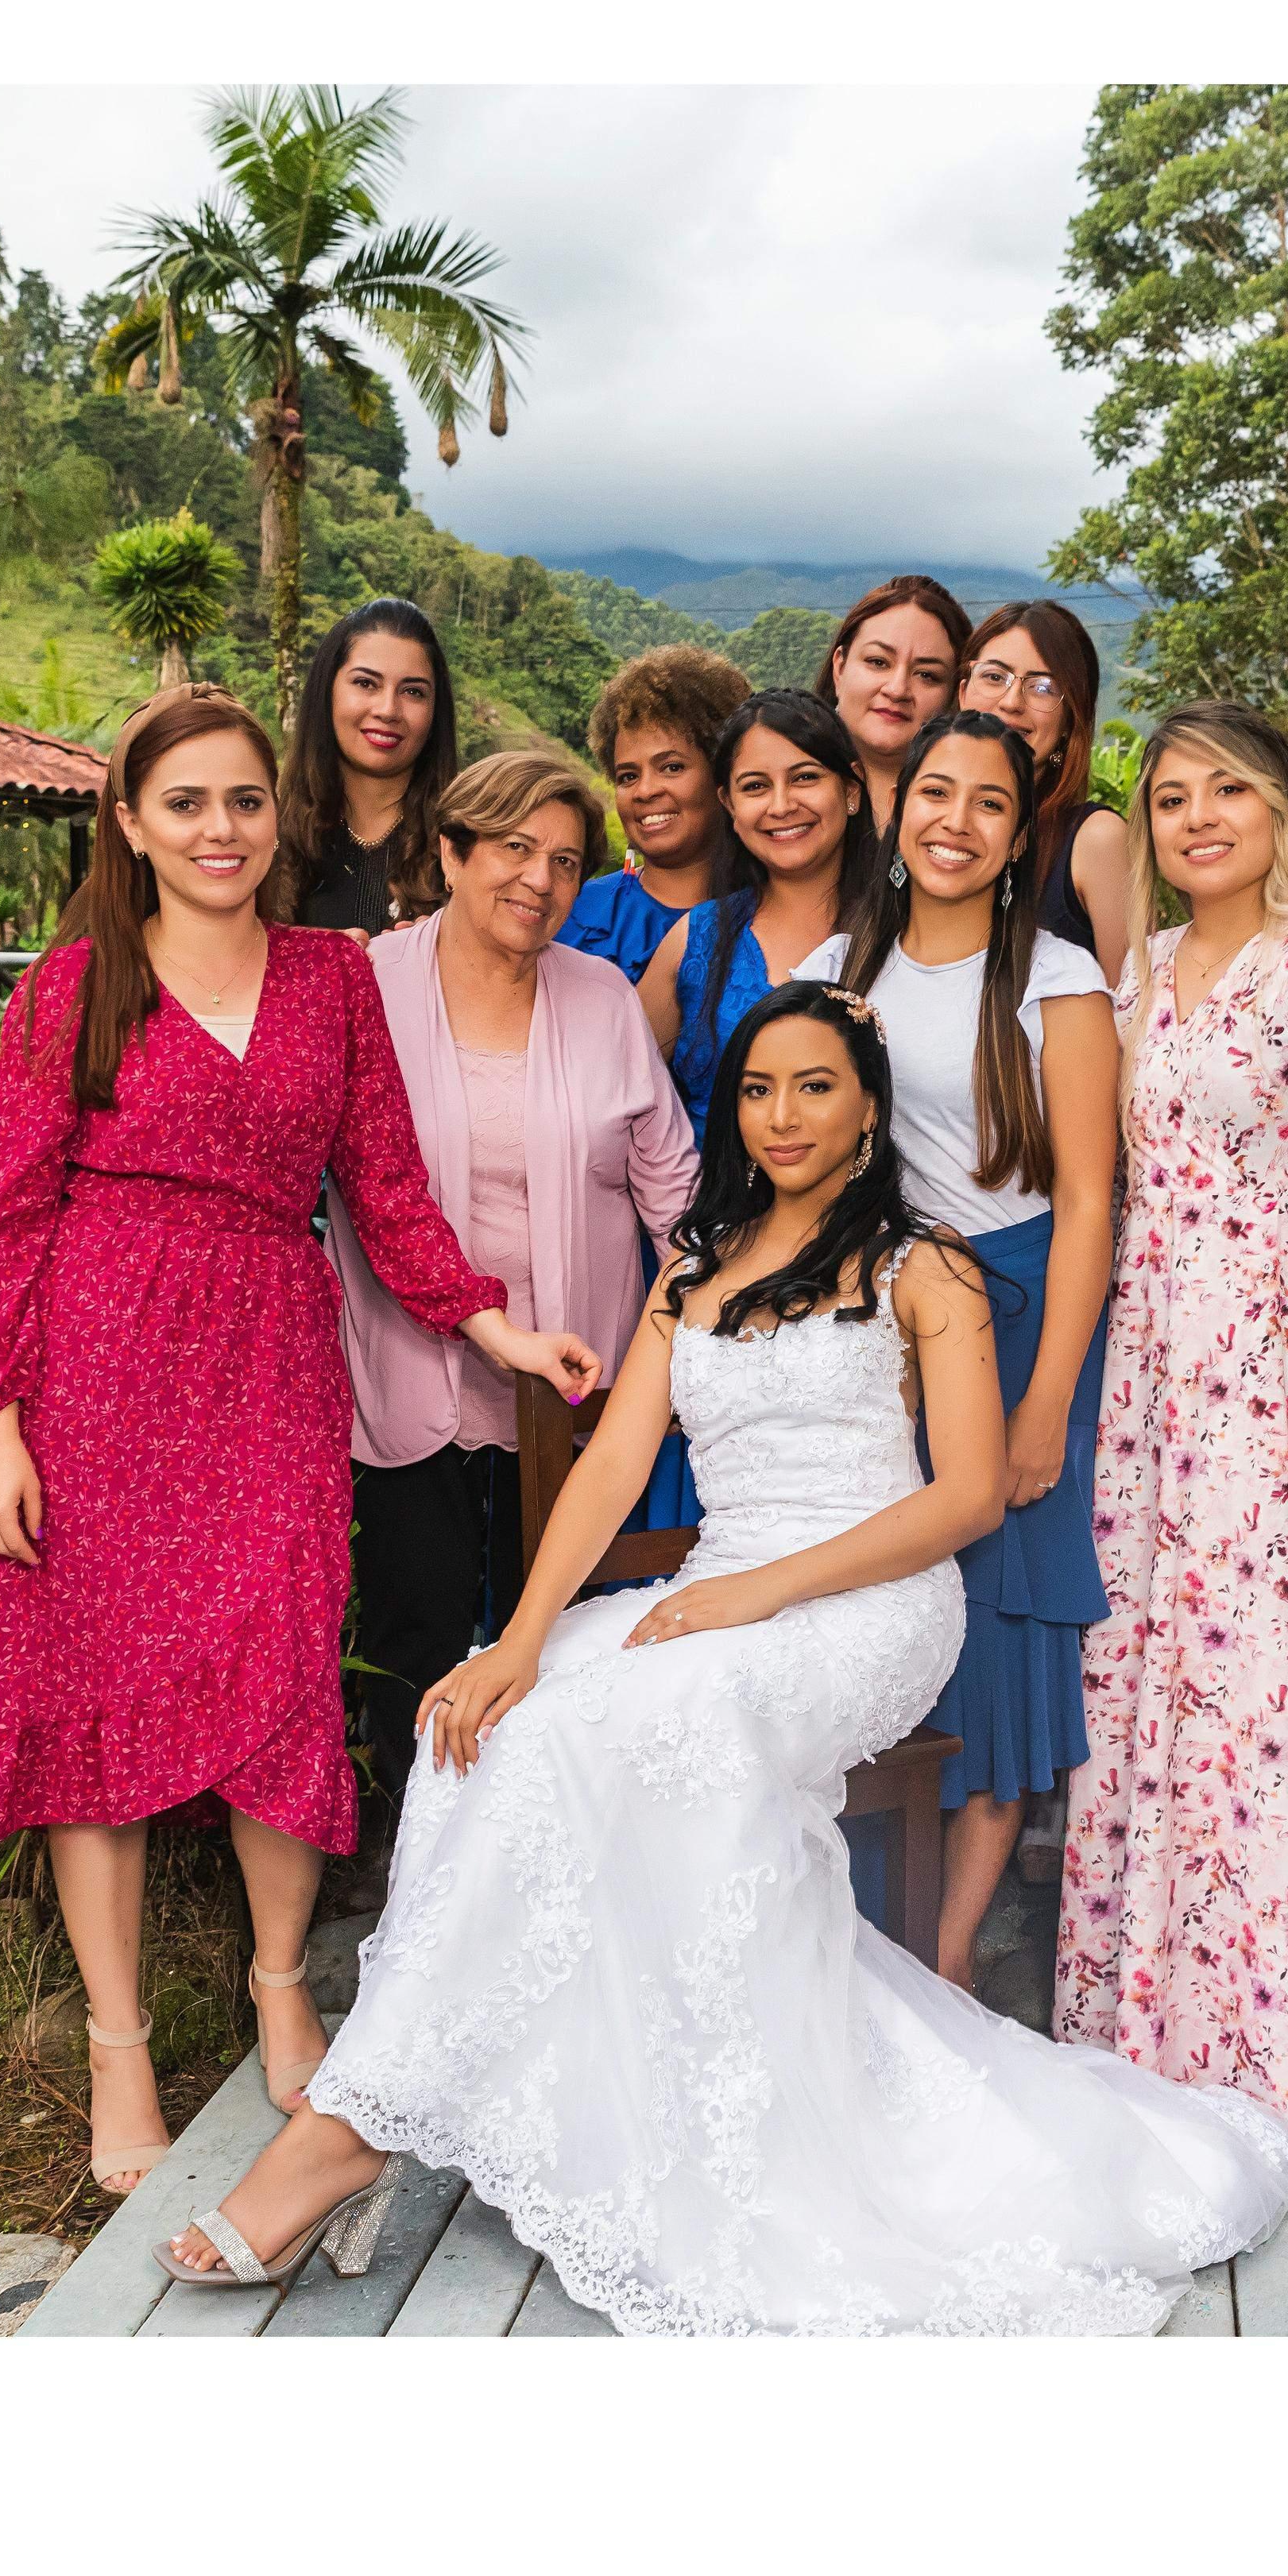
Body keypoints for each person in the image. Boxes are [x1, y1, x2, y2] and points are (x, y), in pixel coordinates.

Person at [157, 983, 1288, 2327]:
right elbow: (610, 1468)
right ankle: (387, 2106)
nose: (782, 1114)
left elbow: (964, 1497)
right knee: (498, 1725)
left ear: (866, 1107)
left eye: (815, 1085)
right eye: (759, 1088)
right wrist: (517, 1640)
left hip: (867, 1598)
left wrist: (757, 1591)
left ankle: (347, 2132)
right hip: (715, 1590)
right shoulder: (693, 1268)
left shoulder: (922, 1265)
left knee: (652, 1725)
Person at [0, 688, 600, 2199]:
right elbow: (11, 1214)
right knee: (90, 1691)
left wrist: (493, 1329)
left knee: (279, 1664)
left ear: (272, 814)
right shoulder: (75, 986)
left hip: (269, 1358)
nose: (218, 828)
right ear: (130, 823)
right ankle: (117, 2045)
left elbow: (386, 1187)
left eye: (241, 799)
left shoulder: (330, 976)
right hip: (95, 1363)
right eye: (185, 803)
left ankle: (280, 1981)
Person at [1054, 703, 1288, 2137]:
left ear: (1278, 808)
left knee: (1268, 1692)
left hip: (1281, 1375)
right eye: (1169, 797)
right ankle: (1153, 2020)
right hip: (1153, 1380)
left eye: (1227, 789)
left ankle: (1281, 2039)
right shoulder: (1139, 973)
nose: (1197, 816)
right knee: (1153, 1680)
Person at [798, 713, 1117, 1990]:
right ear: (898, 808)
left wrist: (1045, 1405)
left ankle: (943, 1960)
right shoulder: (835, 967)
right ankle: (854, 1935)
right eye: (936, 791)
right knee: (875, 1607)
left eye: (990, 802)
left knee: (997, 1631)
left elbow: (1088, 1200)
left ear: (1019, 833)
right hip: (875, 1320)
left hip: (1025, 1310)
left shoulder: (1055, 978)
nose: (956, 820)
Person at [331, 751, 698, 1797]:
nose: (540, 878)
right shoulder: (368, 985)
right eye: (514, 848)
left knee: (562, 1640)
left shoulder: (603, 997)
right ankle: (415, 1851)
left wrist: (697, 1327)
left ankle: (539, 1848)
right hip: (410, 1369)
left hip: (573, 1382)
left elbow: (672, 1187)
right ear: (451, 852)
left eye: (566, 861)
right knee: (415, 1634)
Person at [639, 689, 875, 1143]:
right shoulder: (698, 939)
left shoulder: (906, 934)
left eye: (805, 778)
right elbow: (616, 1093)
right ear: (729, 805)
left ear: (851, 790)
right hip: (703, 1189)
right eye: (755, 787)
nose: (781, 805)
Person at [958, 598, 1131, 984]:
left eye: (1042, 687)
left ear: (1071, 719)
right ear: (963, 693)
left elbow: (1131, 1006)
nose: (1011, 702)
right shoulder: (929, 824)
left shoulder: (1096, 840)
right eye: (995, 677)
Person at [270, 598, 460, 936]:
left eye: (413, 692)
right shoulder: (266, 836)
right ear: (327, 691)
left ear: (435, 711)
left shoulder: (466, 843)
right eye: (365, 683)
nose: (388, 710)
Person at [561, 643, 748, 981]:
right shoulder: (571, 914)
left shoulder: (772, 916)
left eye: (672, 767)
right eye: (628, 776)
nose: (645, 791)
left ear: (723, 775)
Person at [813, 573, 969, 834]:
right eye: (878, 662)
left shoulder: (965, 821)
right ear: (839, 668)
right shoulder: (780, 796)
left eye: (926, 675)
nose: (897, 690)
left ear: (955, 694)